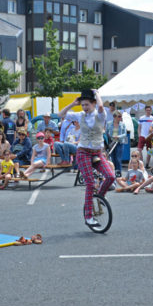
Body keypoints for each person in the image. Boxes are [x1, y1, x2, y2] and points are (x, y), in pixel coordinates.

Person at [57, 89, 115, 227]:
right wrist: (73, 103)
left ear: (93, 103)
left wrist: (98, 94)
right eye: (82, 105)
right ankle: (88, 216)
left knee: (111, 176)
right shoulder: (79, 115)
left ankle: (100, 196)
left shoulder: (100, 115)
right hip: (83, 152)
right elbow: (60, 114)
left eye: (87, 104)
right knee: (90, 183)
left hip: (97, 152)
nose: (84, 107)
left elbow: (101, 107)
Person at [106, 111, 127, 176]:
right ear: (114, 117)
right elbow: (106, 132)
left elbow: (125, 134)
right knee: (112, 158)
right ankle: (113, 172)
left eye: (121, 116)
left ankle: (119, 172)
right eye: (119, 116)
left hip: (119, 142)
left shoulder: (122, 124)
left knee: (118, 158)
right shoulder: (109, 124)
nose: (120, 118)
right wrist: (109, 138)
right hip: (112, 142)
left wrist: (118, 136)